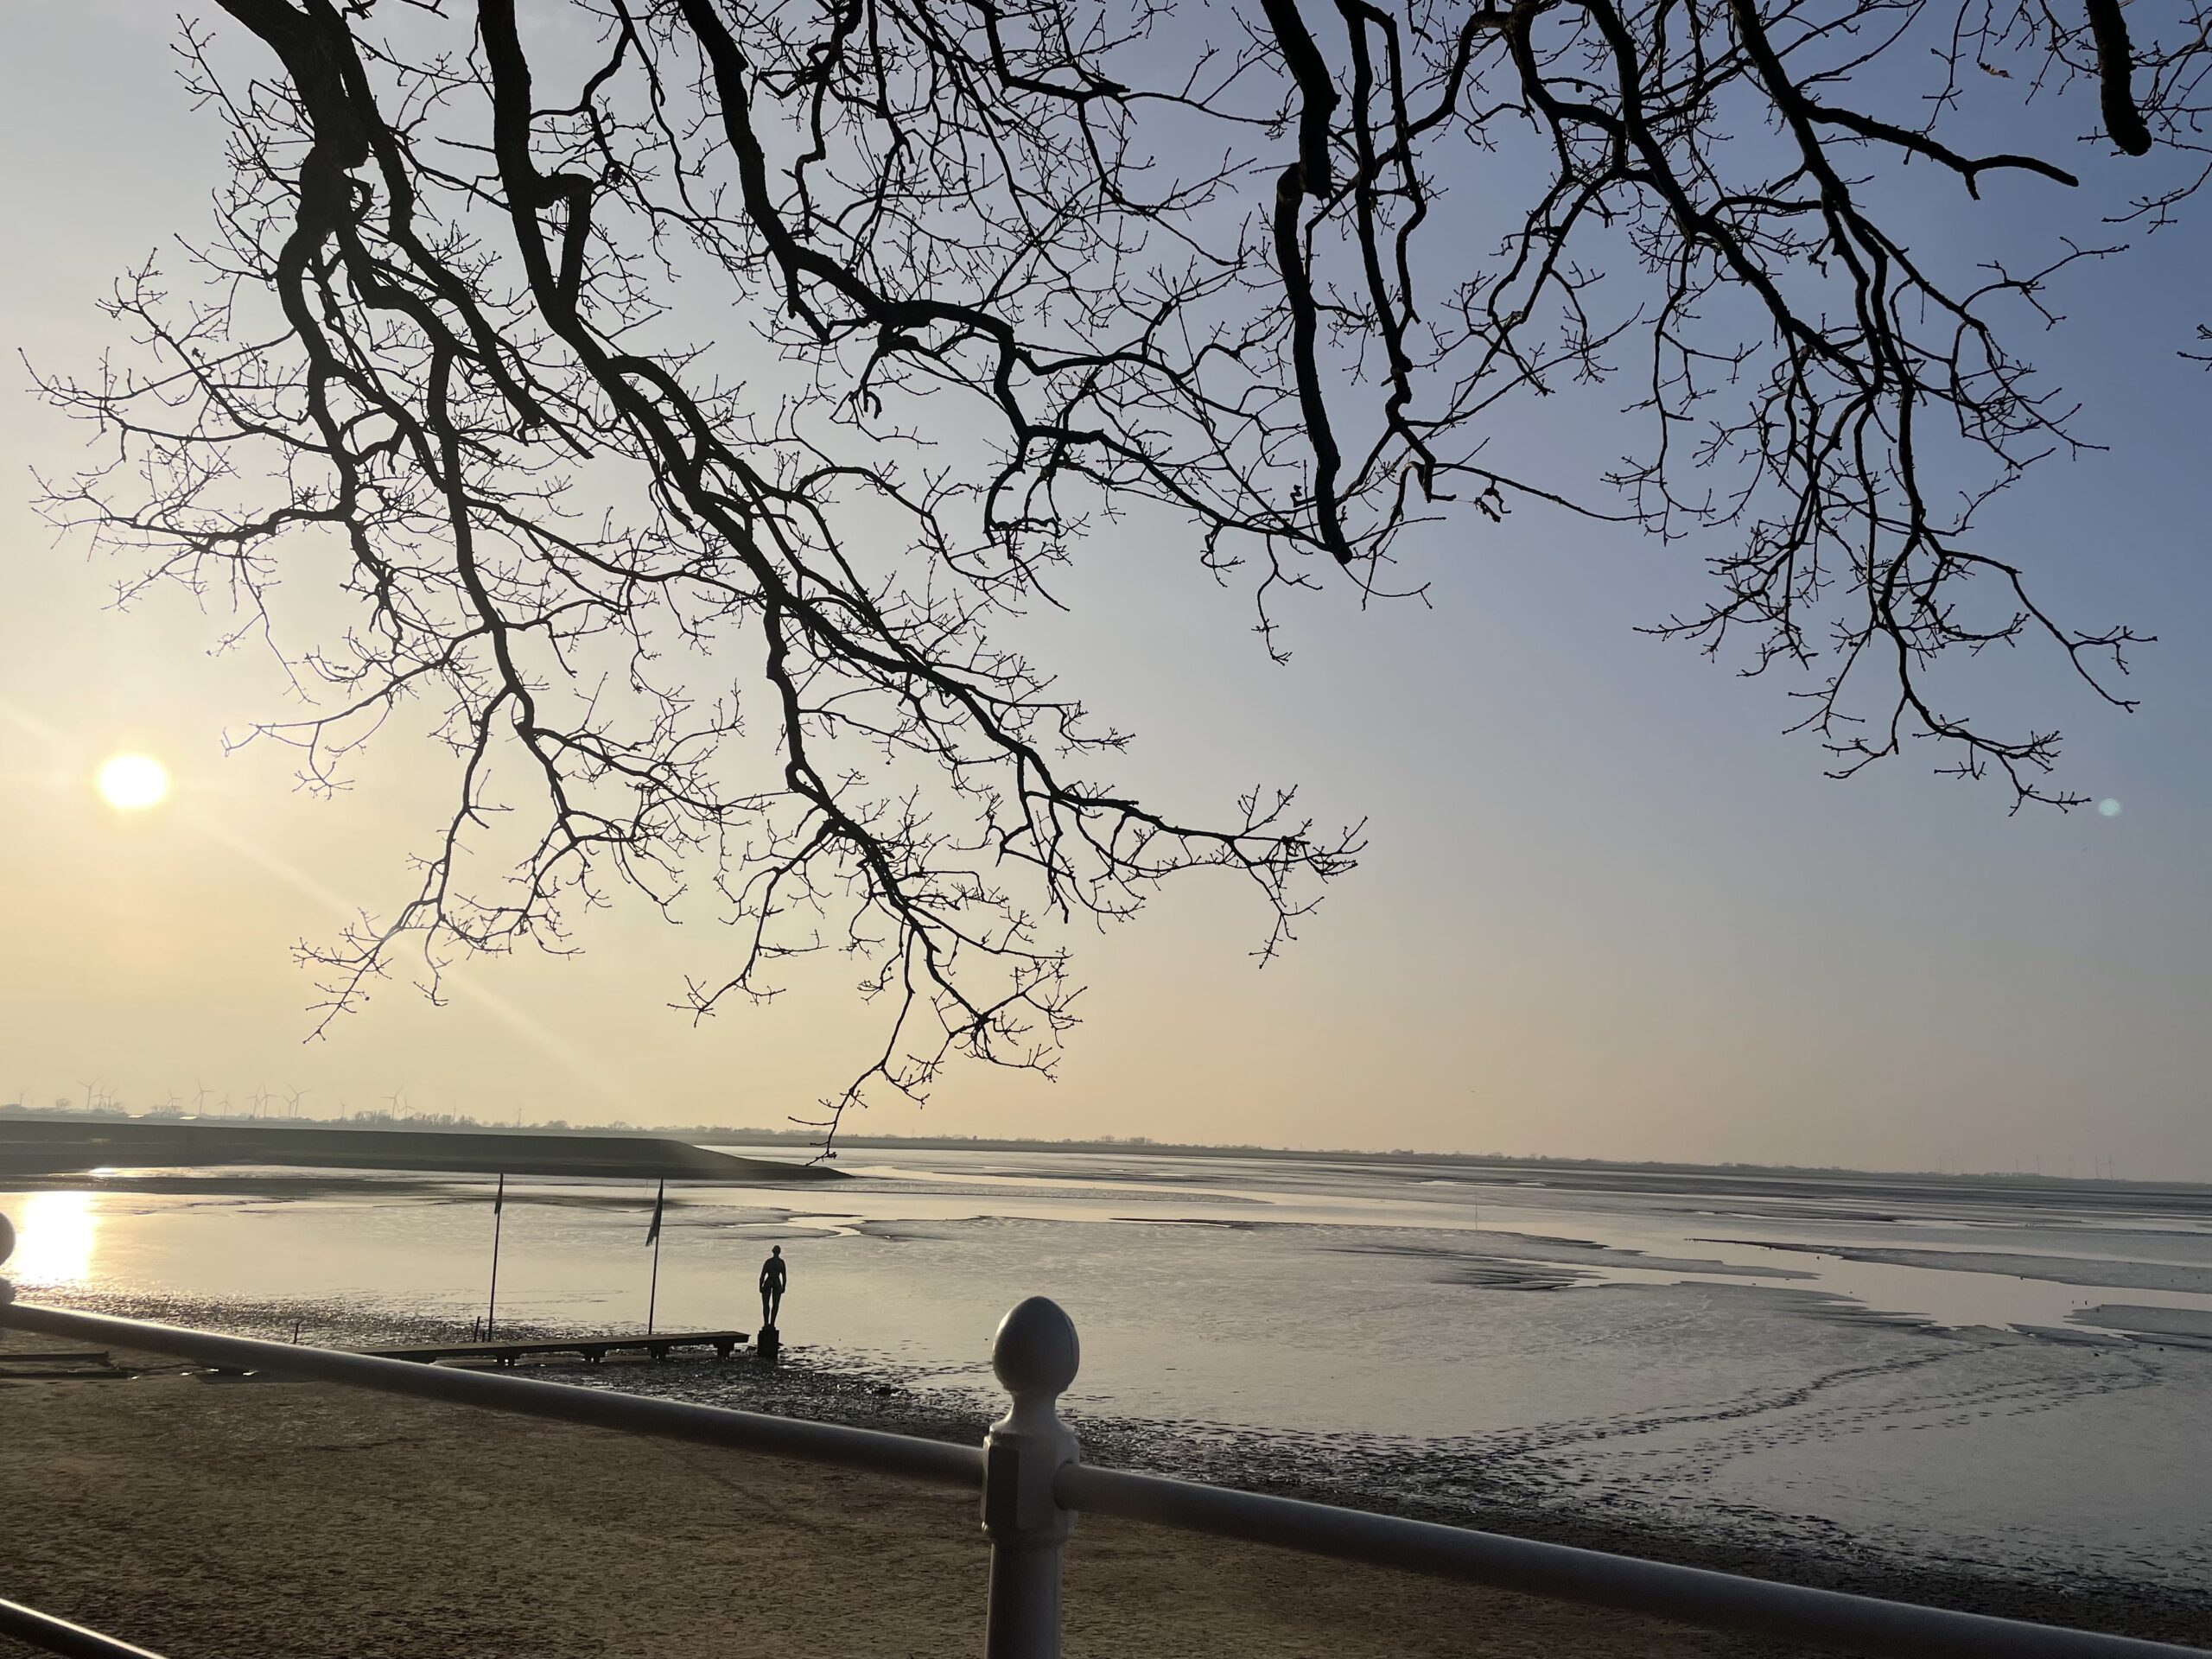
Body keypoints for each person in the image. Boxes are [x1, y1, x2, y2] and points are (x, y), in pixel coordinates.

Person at [758, 1244, 786, 1330]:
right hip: (777, 1283)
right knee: (775, 1305)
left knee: (766, 1305)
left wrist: (760, 1286)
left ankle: (766, 1324)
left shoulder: (769, 1262)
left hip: (769, 1282)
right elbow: (784, 1277)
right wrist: (783, 1286)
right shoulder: (781, 1262)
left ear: (773, 1252)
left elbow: (762, 1276)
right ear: (779, 1252)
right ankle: (772, 1324)